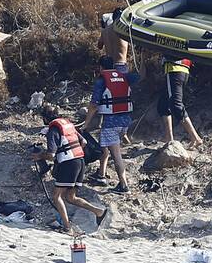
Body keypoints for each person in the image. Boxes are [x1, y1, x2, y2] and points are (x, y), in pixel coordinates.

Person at [30, 105, 109, 234]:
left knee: (56, 196)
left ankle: (67, 228)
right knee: (71, 197)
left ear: (44, 118)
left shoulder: (53, 130)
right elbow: (84, 142)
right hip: (80, 161)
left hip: (68, 164)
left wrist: (39, 156)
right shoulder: (68, 124)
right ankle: (99, 212)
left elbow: (51, 155)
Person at [83, 58, 140, 193]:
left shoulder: (101, 82)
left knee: (116, 154)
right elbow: (140, 76)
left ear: (101, 67)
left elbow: (93, 106)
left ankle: (124, 185)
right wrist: (142, 60)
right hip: (125, 121)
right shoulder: (124, 77)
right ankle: (101, 175)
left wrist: (86, 124)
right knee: (104, 147)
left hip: (111, 123)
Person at [157, 58, 204, 149]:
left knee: (176, 105)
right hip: (183, 68)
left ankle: (195, 137)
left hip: (174, 69)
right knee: (163, 105)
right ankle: (169, 138)